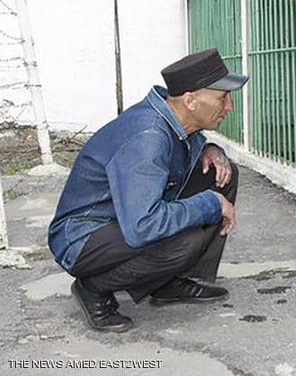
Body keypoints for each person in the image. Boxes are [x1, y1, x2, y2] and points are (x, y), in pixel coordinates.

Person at [48, 48, 249, 333]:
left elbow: (180, 147)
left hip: (121, 218)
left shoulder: (170, 117)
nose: (229, 107)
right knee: (184, 241)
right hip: (82, 238)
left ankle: (167, 283)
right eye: (222, 98)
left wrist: (208, 148)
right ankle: (93, 288)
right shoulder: (147, 136)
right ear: (190, 100)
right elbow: (144, 225)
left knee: (221, 175)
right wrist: (210, 204)